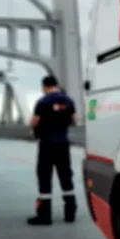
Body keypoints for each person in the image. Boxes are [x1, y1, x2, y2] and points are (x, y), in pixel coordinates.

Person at [27, 75, 77, 225]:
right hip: (63, 143)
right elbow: (74, 120)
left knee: (44, 177)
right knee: (65, 176)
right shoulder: (68, 101)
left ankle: (45, 215)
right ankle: (70, 212)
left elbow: (34, 122)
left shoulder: (42, 102)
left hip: (47, 144)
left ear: (45, 86)